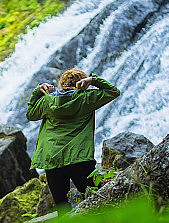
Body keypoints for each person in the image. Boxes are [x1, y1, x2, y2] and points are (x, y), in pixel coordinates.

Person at [26, 68, 120, 209]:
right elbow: (113, 91)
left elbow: (31, 114)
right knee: (96, 201)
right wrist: (93, 80)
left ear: (62, 84)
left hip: (53, 159)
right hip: (79, 157)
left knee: (62, 207)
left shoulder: (47, 101)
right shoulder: (86, 98)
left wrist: (38, 91)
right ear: (82, 83)